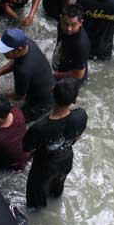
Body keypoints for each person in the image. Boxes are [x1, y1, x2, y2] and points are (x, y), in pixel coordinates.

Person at [22, 78, 87, 209]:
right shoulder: (81, 115)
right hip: (66, 160)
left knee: (35, 203)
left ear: (52, 93)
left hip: (44, 167)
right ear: (75, 100)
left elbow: (26, 151)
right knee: (57, 188)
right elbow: (78, 136)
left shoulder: (39, 128)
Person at [0, 29, 56, 122]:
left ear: (18, 50)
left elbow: (19, 96)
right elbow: (16, 61)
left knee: (11, 122)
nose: (2, 53)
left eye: (5, 51)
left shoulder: (23, 71)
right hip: (50, 87)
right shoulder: (27, 43)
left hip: (42, 104)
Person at [52, 4, 90, 85]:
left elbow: (78, 75)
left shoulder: (81, 45)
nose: (69, 28)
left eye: (73, 25)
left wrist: (54, 75)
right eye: (66, 24)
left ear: (80, 23)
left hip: (73, 77)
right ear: (62, 19)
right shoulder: (61, 24)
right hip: (65, 60)